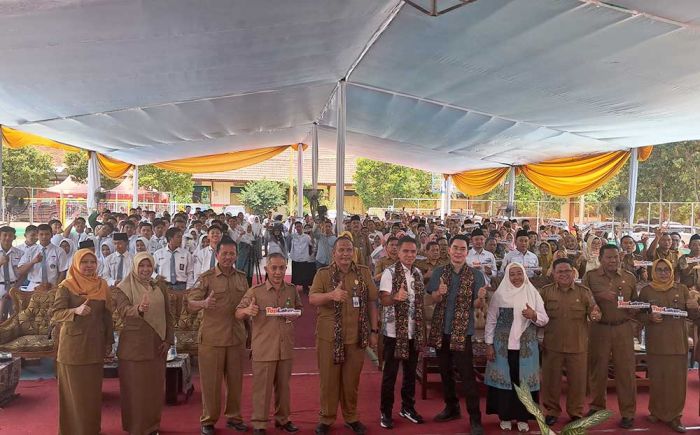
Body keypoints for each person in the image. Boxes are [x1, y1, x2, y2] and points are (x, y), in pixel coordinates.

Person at [309, 236, 379, 435]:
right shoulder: (323, 274)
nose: (345, 254)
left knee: (351, 381)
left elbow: (372, 302)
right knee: (329, 380)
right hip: (329, 337)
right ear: (334, 253)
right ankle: (326, 418)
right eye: (341, 250)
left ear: (354, 252)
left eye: (349, 250)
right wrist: (331, 295)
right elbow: (313, 298)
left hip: (356, 338)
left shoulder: (364, 273)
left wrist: (374, 331)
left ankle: (351, 417)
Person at [425, 234, 487, 435]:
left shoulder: (476, 276)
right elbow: (432, 298)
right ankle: (452, 407)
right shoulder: (439, 272)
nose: (458, 252)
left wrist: (480, 299)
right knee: (445, 372)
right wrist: (439, 293)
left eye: (462, 249)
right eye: (455, 248)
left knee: (467, 376)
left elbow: (477, 304)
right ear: (449, 250)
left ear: (467, 252)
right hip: (441, 329)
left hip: (463, 331)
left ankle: (475, 418)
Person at [188, 236, 249, 435]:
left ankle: (234, 417)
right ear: (217, 255)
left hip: (236, 338)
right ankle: (208, 420)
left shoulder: (242, 277)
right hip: (212, 338)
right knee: (211, 383)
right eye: (225, 253)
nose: (228, 257)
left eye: (232, 254)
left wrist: (251, 335)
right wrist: (203, 304)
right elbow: (190, 303)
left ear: (237, 256)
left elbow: (248, 305)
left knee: (235, 382)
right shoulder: (206, 277)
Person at [236, 253, 302, 434]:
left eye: (282, 268)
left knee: (284, 387)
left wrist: (294, 313)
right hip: (264, 347)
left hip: (285, 346)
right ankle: (259, 423)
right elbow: (238, 312)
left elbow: (299, 309)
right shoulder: (255, 291)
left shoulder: (291, 289)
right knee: (262, 389)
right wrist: (248, 310)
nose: (278, 272)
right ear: (266, 269)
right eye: (274, 268)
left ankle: (283, 419)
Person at [50, 249, 114, 435]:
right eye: (84, 262)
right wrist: (74, 311)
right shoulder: (66, 285)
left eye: (92, 262)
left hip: (95, 346)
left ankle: (91, 430)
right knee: (74, 395)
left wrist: (109, 343)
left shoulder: (102, 285)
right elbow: (55, 314)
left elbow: (107, 316)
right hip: (72, 350)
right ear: (77, 264)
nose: (88, 266)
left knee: (92, 395)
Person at [113, 252, 174, 435]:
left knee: (154, 390)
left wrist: (168, 340)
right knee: (135, 391)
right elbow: (123, 311)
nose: (145, 270)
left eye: (148, 266)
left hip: (157, 345)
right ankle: (136, 428)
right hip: (134, 347)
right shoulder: (122, 287)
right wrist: (138, 309)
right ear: (134, 266)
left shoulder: (159, 286)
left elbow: (168, 315)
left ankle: (152, 426)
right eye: (141, 266)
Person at [637, 259, 699, 433]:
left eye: (666, 270)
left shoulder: (682, 289)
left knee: (677, 383)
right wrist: (649, 318)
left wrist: (694, 307)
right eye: (659, 270)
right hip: (655, 344)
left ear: (671, 271)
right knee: (657, 380)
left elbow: (694, 316)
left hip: (677, 344)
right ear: (653, 272)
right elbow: (638, 316)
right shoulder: (647, 291)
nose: (663, 273)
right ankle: (656, 412)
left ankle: (675, 416)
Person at [485, 263, 548, 432]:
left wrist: (533, 315)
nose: (516, 277)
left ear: (524, 274)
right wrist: (489, 344)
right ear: (507, 276)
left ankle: (523, 418)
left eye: (519, 273)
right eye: (512, 274)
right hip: (502, 347)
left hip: (526, 347)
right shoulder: (499, 295)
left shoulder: (532, 293)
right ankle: (505, 416)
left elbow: (544, 319)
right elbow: (491, 321)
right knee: (506, 382)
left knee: (523, 383)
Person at [539, 258, 601, 426]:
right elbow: (538, 316)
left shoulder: (583, 291)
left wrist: (596, 314)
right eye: (560, 271)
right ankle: (552, 411)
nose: (564, 274)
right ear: (553, 274)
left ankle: (575, 412)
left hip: (578, 345)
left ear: (574, 272)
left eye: (567, 271)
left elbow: (594, 311)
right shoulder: (545, 292)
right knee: (551, 381)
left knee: (578, 382)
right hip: (552, 345)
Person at [582, 244, 637, 429]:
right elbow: (583, 299)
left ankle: (628, 413)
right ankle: (597, 406)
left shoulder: (629, 278)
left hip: (623, 329)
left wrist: (633, 309)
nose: (613, 261)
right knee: (598, 370)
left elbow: (636, 304)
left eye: (616, 257)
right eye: (609, 257)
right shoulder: (590, 277)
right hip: (599, 330)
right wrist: (599, 297)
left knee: (626, 372)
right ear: (601, 259)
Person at [378, 236, 426, 429]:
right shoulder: (389, 273)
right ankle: (386, 412)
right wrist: (396, 297)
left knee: (410, 373)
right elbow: (383, 300)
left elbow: (421, 302)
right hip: (393, 332)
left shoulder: (418, 274)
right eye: (405, 251)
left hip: (413, 331)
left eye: (413, 251)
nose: (409, 255)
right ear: (397, 252)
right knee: (390, 374)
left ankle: (407, 407)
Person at [18, 223, 69, 291]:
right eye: (41, 234)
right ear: (37, 236)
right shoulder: (30, 251)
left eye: (47, 234)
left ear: (51, 235)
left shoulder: (59, 251)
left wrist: (56, 287)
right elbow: (20, 271)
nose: (44, 237)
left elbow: (63, 272)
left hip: (52, 286)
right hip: (34, 286)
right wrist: (33, 262)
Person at [0, 226, 23, 320]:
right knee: (1, 318)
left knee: (15, 317)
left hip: (15, 286)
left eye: (10, 235)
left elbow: (23, 273)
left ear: (14, 237)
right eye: (4, 235)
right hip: (0, 286)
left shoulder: (20, 253)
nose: (7, 238)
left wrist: (15, 287)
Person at [289, 221, 315, 294]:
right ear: (295, 228)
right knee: (295, 274)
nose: (298, 228)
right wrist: (291, 223)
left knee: (305, 274)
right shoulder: (294, 236)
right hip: (296, 257)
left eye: (299, 226)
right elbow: (289, 233)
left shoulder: (307, 237)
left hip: (304, 258)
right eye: (296, 227)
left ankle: (305, 287)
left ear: (302, 227)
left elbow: (312, 243)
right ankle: (294, 287)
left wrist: (312, 233)